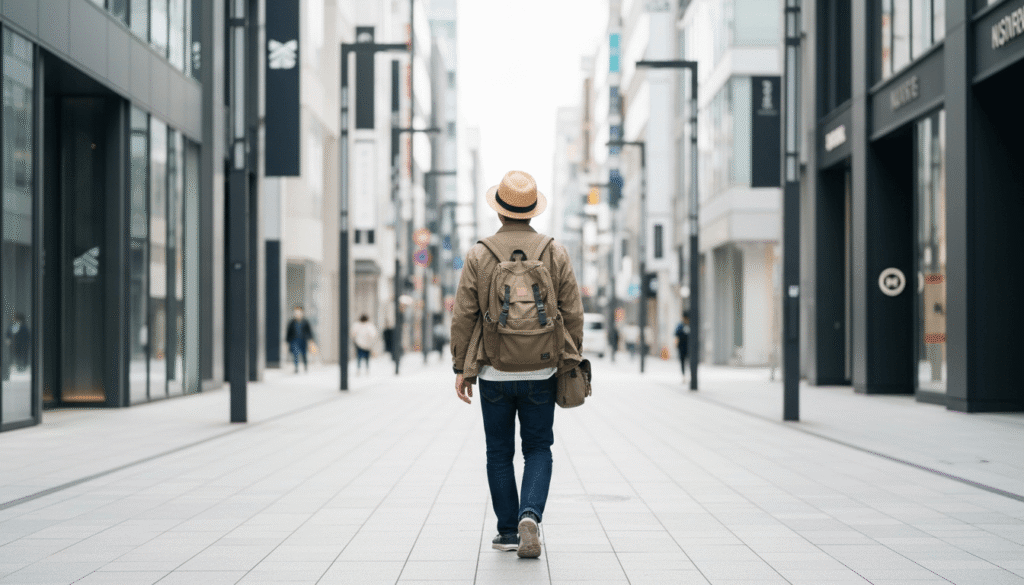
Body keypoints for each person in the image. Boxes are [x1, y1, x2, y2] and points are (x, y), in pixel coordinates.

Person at [450, 170, 583, 559]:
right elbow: (572, 310)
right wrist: (569, 358)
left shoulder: (480, 253)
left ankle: (508, 531)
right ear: (531, 211)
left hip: (493, 369)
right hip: (542, 368)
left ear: (500, 210)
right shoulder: (553, 251)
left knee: (498, 452)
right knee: (539, 448)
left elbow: (463, 314)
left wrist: (462, 367)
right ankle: (531, 515)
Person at [285, 306, 315, 373]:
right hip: (294, 340)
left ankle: (305, 366)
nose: (297, 314)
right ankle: (296, 367)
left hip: (303, 340)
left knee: (304, 354)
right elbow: (288, 333)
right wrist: (287, 342)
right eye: (296, 312)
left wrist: (311, 340)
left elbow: (309, 332)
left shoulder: (305, 322)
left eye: (299, 312)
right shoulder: (292, 322)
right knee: (295, 354)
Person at [675, 312, 690, 383]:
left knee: (689, 362)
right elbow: (677, 335)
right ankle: (684, 376)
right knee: (683, 362)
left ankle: (690, 376)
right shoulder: (680, 325)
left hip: (690, 347)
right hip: (682, 347)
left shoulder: (690, 325)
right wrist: (676, 344)